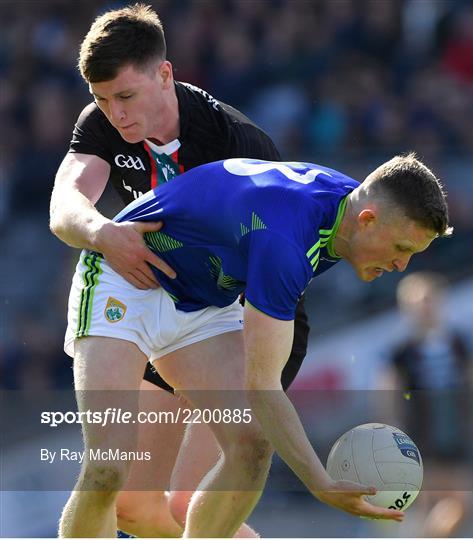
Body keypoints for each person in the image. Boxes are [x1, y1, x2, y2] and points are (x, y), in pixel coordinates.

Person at [57, 152, 452, 537]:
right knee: (108, 466)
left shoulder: (348, 208)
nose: (401, 267)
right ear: (368, 221)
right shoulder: (286, 242)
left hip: (203, 301)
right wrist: (321, 483)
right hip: (126, 276)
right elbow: (262, 386)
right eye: (401, 250)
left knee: (252, 442)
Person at [49, 4, 308, 537]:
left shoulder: (235, 143)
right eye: (101, 100)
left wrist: (238, 358)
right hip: (156, 304)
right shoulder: (101, 124)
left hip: (240, 316)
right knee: (130, 502)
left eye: (125, 97)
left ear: (164, 75)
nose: (115, 114)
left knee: (190, 501)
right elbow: (64, 204)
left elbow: (282, 262)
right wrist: (104, 234)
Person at [379, 272, 473, 537]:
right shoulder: (402, 349)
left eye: (430, 300)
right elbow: (387, 389)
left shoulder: (458, 342)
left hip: (455, 432)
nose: (426, 308)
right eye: (419, 302)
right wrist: (390, 427)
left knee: (463, 505)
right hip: (420, 436)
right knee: (428, 506)